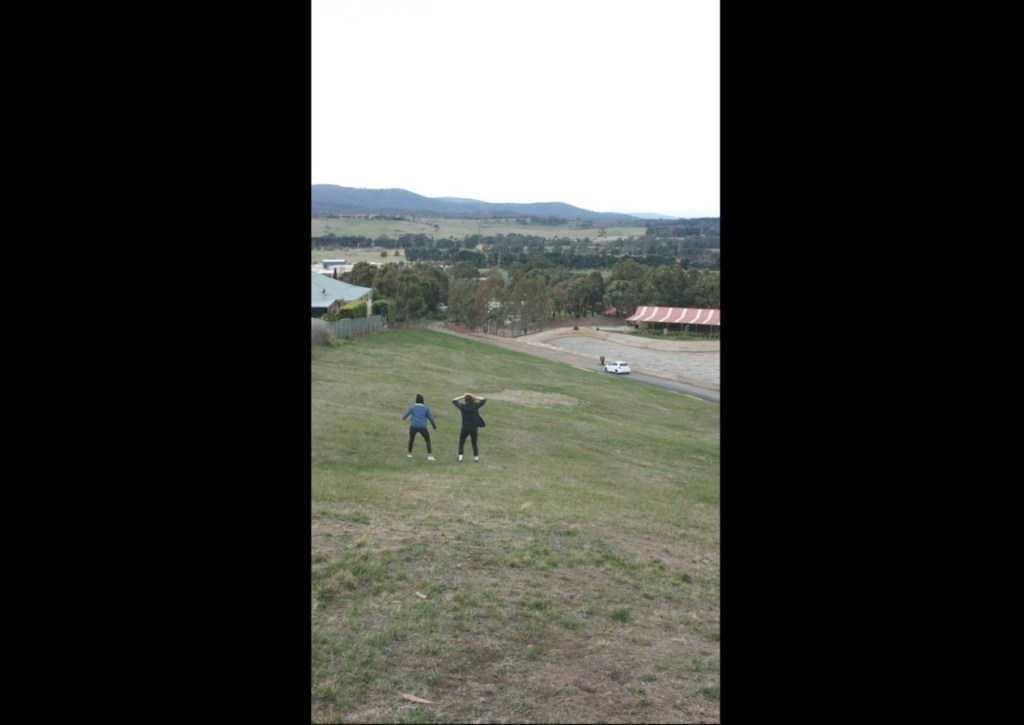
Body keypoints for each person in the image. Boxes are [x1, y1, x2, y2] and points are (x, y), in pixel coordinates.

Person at [452, 393, 486, 462]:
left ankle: (460, 458)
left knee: (461, 442)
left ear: (465, 400)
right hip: (473, 428)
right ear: (472, 399)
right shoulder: (475, 406)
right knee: (474, 442)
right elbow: (484, 400)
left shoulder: (462, 407)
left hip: (465, 427)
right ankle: (476, 458)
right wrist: (475, 397)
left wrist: (463, 396)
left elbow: (454, 400)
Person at [402, 394, 437, 461]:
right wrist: (434, 426)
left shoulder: (412, 407)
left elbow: (406, 415)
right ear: (423, 401)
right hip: (422, 427)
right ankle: (429, 455)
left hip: (413, 426)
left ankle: (409, 453)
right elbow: (430, 418)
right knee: (427, 440)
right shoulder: (426, 408)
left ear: (416, 401)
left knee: (411, 439)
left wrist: (404, 418)